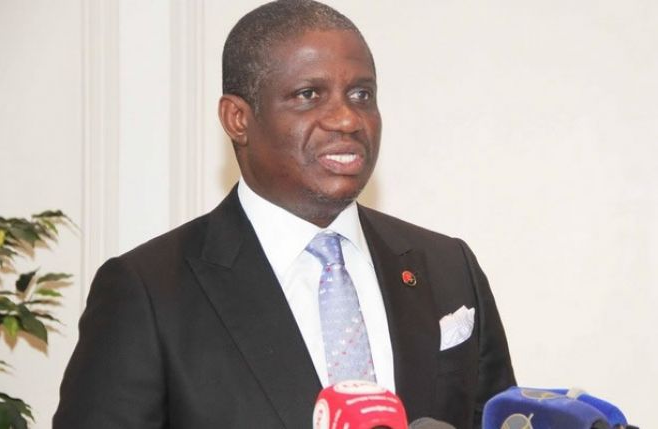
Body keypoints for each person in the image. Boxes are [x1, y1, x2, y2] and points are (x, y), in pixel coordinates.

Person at [54, 1, 515, 428]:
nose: (347, 119)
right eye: (309, 94)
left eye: (361, 94)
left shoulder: (448, 267)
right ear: (238, 119)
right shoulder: (148, 292)